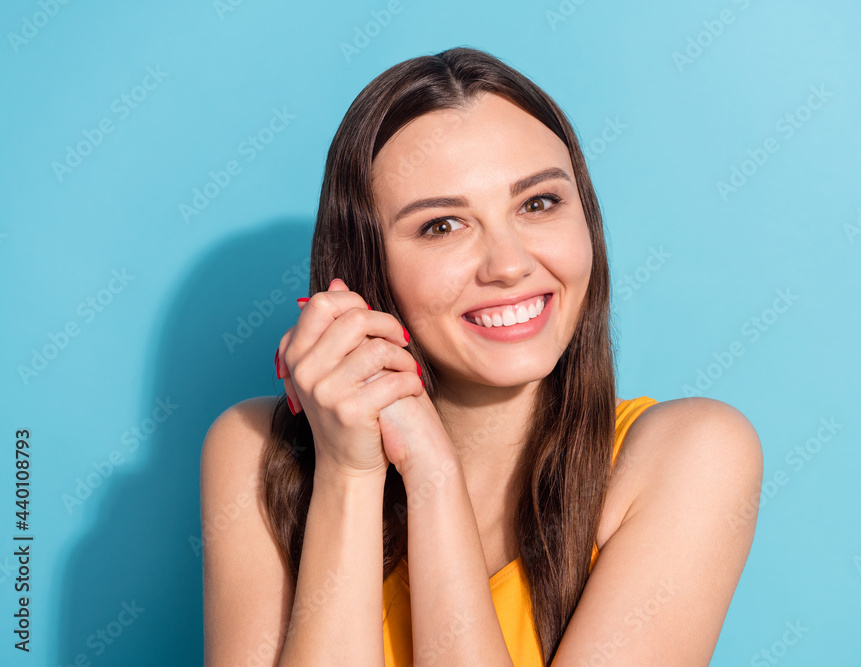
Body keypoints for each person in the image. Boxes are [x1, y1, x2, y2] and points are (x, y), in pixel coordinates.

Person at [200, 46, 763, 666]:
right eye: (442, 225)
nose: (510, 265)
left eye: (538, 203)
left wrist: (434, 477)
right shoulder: (254, 451)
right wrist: (351, 474)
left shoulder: (692, 454)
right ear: (365, 266)